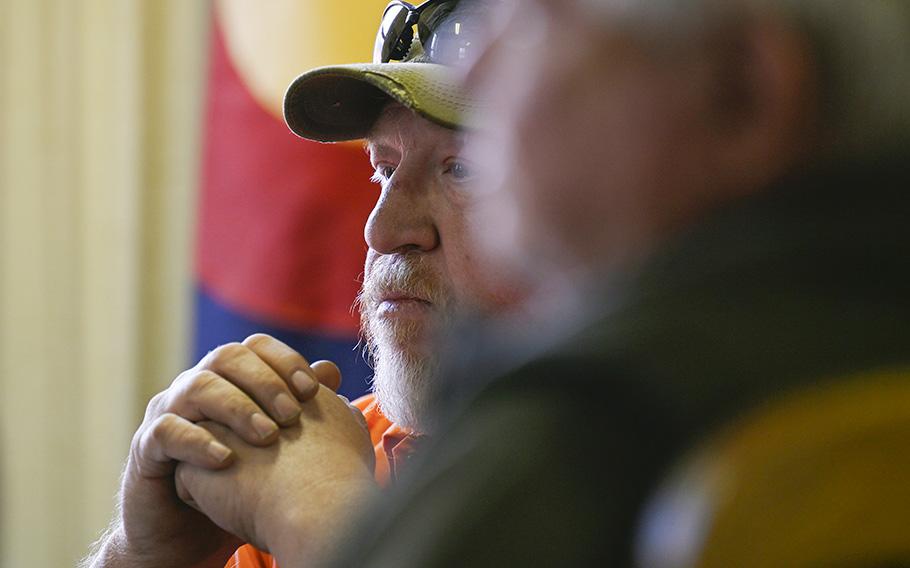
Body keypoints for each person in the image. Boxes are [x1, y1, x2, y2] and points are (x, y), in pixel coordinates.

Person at [322, 0, 910, 565]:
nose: (478, 70)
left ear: (741, 90)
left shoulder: (583, 449)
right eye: (384, 170)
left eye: (537, 16)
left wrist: (313, 519)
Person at [81, 2, 518, 567]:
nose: (382, 229)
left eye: (462, 169)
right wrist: (142, 555)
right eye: (383, 168)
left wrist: (324, 519)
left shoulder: (650, 473)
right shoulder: (326, 456)